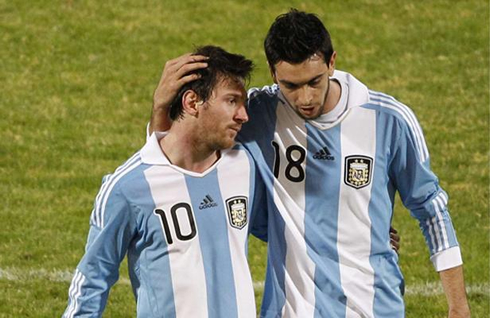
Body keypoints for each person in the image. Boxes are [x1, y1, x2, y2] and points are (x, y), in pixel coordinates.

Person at [149, 9, 470, 318]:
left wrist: (458, 307)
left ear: (332, 62)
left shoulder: (388, 120)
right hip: (288, 309)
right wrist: (162, 105)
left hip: (373, 306)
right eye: (291, 85)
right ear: (273, 72)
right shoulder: (258, 114)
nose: (305, 98)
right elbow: (177, 162)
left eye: (314, 82)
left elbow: (431, 209)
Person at [62, 45, 264, 318]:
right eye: (231, 101)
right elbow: (92, 278)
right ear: (192, 102)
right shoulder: (129, 187)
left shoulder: (244, 165)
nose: (243, 116)